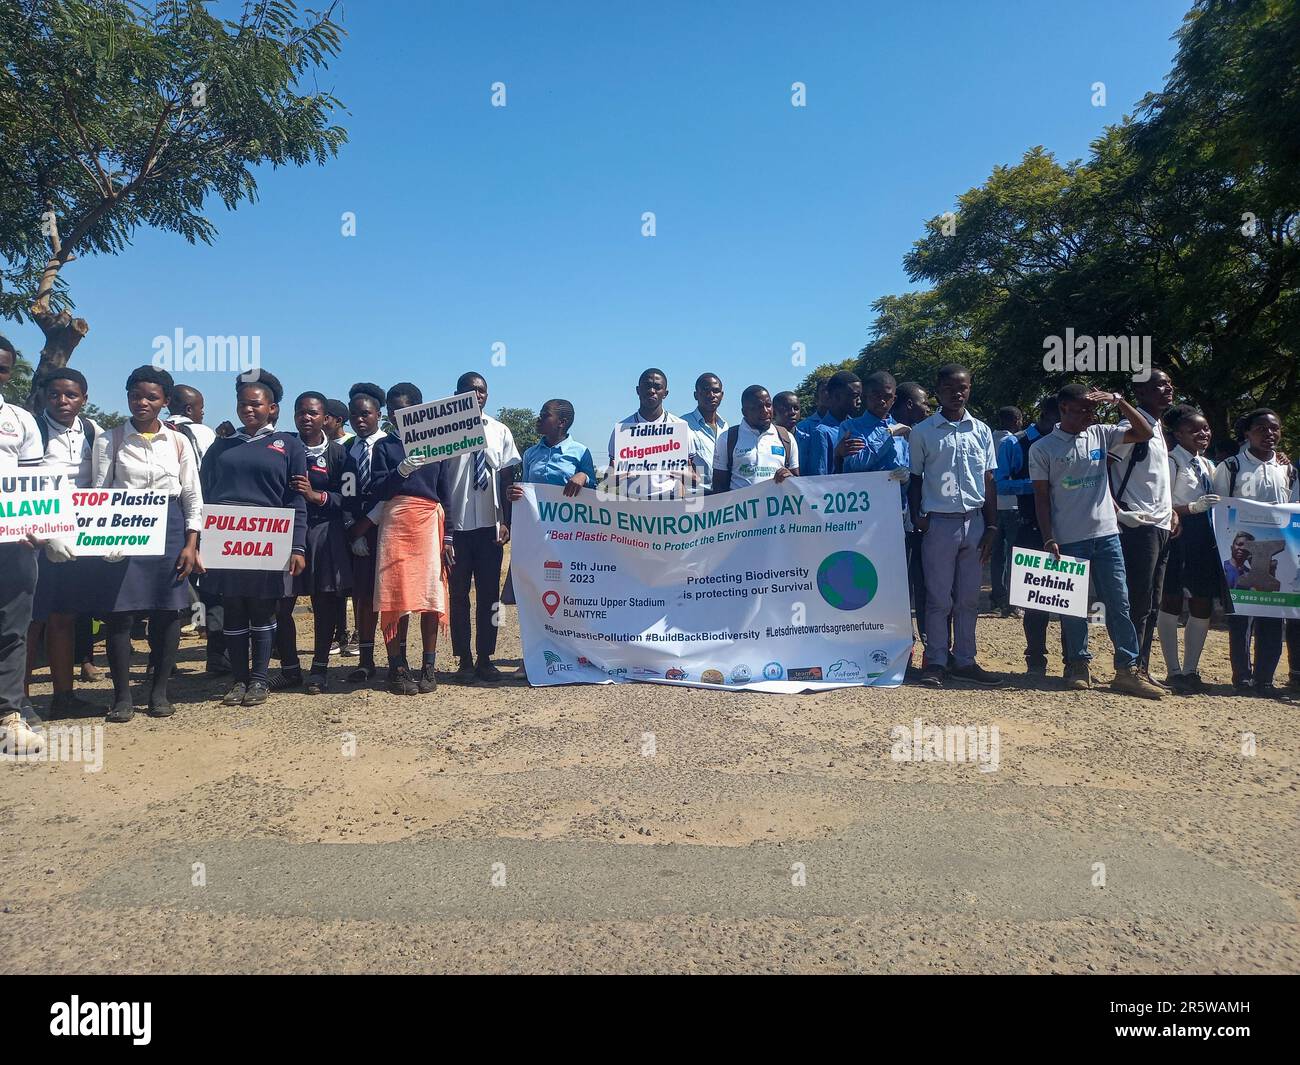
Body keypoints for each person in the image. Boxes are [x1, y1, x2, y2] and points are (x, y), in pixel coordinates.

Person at [1030, 384, 1164, 699]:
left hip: (1107, 535)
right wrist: (1049, 537)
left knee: (1119, 603)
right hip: (1068, 539)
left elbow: (1144, 433)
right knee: (1074, 606)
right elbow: (1041, 497)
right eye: (1080, 410)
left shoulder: (1102, 434)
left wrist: (1120, 401)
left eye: (1092, 410)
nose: (1088, 416)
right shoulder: (1043, 448)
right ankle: (1077, 665)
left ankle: (1127, 670)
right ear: (1063, 409)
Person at [85, 365, 203, 721]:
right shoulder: (110, 440)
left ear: (165, 402)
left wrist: (191, 543)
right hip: (123, 527)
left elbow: (191, 495)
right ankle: (122, 696)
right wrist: (101, 537)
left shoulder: (180, 441)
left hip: (169, 528)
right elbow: (99, 491)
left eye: (152, 397)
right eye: (136, 396)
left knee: (168, 614)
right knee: (120, 615)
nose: (143, 402)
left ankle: (158, 692)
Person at [199, 372, 307, 707]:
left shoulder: (289, 445)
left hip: (268, 541)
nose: (248, 409)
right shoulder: (222, 445)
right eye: (243, 403)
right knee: (232, 610)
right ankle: (238, 680)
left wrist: (297, 546)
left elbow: (295, 499)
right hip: (226, 539)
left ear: (272, 408)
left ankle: (259, 680)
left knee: (262, 609)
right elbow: (204, 490)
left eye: (256, 404)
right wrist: (203, 539)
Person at [907, 364, 1004, 687]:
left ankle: (965, 659)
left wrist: (992, 525)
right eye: (949, 388)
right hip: (938, 524)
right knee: (938, 599)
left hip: (974, 523)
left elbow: (988, 480)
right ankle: (935, 660)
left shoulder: (981, 431)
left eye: (962, 387)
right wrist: (919, 517)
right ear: (938, 391)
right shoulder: (923, 432)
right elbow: (916, 479)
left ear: (970, 388)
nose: (956, 393)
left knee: (968, 598)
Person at [370, 382, 454, 696]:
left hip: (429, 523)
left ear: (418, 410)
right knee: (397, 597)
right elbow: (378, 490)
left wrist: (450, 538)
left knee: (431, 597)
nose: (396, 416)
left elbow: (446, 493)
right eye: (392, 411)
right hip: (396, 522)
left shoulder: (437, 444)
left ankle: (428, 668)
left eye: (403, 410)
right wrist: (400, 471)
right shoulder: (384, 446)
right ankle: (397, 667)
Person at [28, 367, 101, 715]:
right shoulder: (31, 429)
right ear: (44, 396)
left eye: (71, 395)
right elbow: (15, 486)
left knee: (65, 617)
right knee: (30, 621)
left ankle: (63, 697)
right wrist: (44, 533)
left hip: (79, 540)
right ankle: (18, 702)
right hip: (34, 542)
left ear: (84, 399)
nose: (62, 401)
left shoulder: (93, 431)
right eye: (55, 394)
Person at [269, 392, 353, 695]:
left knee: (325, 603)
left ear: (325, 418)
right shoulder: (281, 448)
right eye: (301, 412)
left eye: (313, 413)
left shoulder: (341, 455)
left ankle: (319, 669)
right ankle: (289, 669)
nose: (306, 417)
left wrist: (316, 496)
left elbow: (350, 498)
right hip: (285, 531)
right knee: (280, 603)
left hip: (323, 533)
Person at [1211, 408, 1298, 698]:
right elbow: (1218, 508)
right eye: (1261, 428)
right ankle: (1242, 678)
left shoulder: (1288, 470)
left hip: (1277, 555)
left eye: (1275, 429)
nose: (1269, 434)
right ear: (1247, 433)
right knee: (1241, 617)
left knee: (1273, 617)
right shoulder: (1232, 467)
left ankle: (1265, 680)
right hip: (1237, 550)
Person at [442, 372, 521, 684]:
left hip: (490, 527)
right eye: (471, 391)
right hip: (456, 529)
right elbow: (437, 480)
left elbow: (507, 478)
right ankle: (463, 660)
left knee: (489, 595)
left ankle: (486, 658)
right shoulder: (443, 432)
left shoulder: (500, 431)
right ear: (457, 395)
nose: (477, 396)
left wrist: (507, 521)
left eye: (482, 391)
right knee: (458, 595)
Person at [1108, 370, 1177, 684]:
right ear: (1141, 392)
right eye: (1159, 385)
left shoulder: (1161, 428)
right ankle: (1129, 668)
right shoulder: (1129, 428)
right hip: (1138, 525)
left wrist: (1172, 510)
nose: (1168, 389)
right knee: (1138, 599)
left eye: (1169, 384)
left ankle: (1143, 667)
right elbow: (1102, 467)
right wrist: (1116, 510)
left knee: (1153, 601)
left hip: (1161, 525)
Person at [0, 337, 47, 754]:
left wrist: (39, 528)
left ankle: (8, 715)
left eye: (2, 368)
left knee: (13, 628)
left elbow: (34, 485)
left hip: (14, 542)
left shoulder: (20, 420)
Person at [996, 396, 1066, 676]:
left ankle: (1074, 659)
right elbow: (1001, 484)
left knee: (1069, 596)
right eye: (1057, 418)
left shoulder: (1070, 440)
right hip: (1031, 525)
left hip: (1068, 526)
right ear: (1045, 414)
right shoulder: (1015, 443)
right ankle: (1035, 655)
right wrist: (1038, 486)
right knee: (1037, 596)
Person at [1156, 405, 1220, 693]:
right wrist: (1191, 508)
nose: (1202, 434)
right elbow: (1160, 502)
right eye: (1194, 430)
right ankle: (1173, 669)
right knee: (1171, 599)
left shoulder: (1208, 465)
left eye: (1205, 428)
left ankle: (1192, 668)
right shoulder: (1170, 462)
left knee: (1202, 600)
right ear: (1178, 433)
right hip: (1179, 533)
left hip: (1205, 538)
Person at [342, 384, 389, 682]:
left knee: (392, 597)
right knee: (363, 597)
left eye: (365, 414)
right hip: (358, 534)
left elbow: (391, 493)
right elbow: (345, 493)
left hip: (387, 528)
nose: (359, 420)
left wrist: (368, 523)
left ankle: (396, 660)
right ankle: (366, 659)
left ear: (379, 415)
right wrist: (353, 530)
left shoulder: (390, 446)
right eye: (354, 415)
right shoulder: (347, 449)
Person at [892, 382, 932, 662]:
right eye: (923, 402)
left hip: (924, 522)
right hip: (891, 524)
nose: (928, 408)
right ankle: (903, 648)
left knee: (928, 586)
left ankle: (933, 649)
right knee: (899, 587)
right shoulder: (888, 434)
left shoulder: (928, 434)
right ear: (908, 404)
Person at [607, 368, 691, 499]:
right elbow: (610, 480)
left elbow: (694, 478)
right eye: (647, 386)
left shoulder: (680, 428)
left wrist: (686, 476)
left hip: (671, 504)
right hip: (634, 505)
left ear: (665, 393)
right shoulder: (622, 430)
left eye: (657, 387)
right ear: (637, 390)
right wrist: (616, 477)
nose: (652, 391)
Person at [712, 386, 799, 492]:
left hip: (776, 507)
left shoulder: (787, 438)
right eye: (758, 407)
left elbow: (796, 481)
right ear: (744, 412)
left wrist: (789, 477)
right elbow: (719, 486)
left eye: (768, 405)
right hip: (741, 507)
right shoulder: (727, 438)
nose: (765, 411)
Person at [990, 406, 1024, 616]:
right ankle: (1012, 603)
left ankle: (996, 598)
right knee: (1014, 554)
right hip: (1012, 503)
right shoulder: (1014, 442)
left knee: (996, 555)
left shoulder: (987, 437)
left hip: (991, 505)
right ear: (1016, 420)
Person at [803, 370, 862, 477]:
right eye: (854, 396)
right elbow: (819, 479)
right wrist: (838, 456)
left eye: (860, 396)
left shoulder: (858, 428)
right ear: (836, 396)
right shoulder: (821, 432)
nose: (859, 401)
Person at [681, 373, 727, 495]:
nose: (711, 395)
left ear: (722, 395)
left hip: (723, 497)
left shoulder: (726, 428)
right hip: (694, 497)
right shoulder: (682, 425)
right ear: (696, 395)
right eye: (706, 391)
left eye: (716, 391)